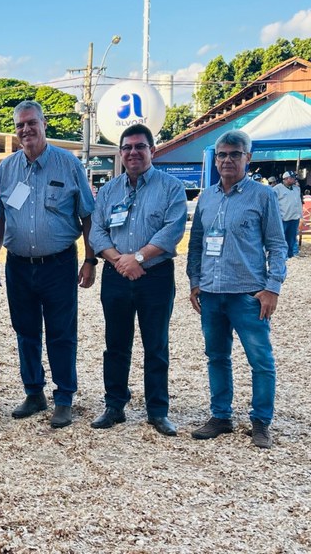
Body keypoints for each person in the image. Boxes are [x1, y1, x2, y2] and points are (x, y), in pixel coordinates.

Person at [0, 100, 97, 429]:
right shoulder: (7, 168)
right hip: (18, 265)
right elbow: (0, 216)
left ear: (44, 123)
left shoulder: (68, 164)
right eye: (20, 125)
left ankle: (64, 397)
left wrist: (91, 259)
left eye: (31, 123)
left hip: (58, 264)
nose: (25, 130)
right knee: (25, 332)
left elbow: (88, 215)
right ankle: (34, 392)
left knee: (61, 333)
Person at [187, 130, 287, 449]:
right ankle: (221, 416)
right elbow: (197, 243)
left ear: (248, 158)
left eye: (234, 154)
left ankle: (261, 421)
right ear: (215, 159)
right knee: (217, 356)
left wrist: (272, 287)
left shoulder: (263, 195)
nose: (227, 160)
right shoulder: (207, 196)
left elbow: (277, 245)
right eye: (222, 155)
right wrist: (194, 281)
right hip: (212, 294)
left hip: (248, 295)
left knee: (260, 359)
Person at [88, 124, 187, 436]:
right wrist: (120, 261)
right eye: (127, 147)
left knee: (155, 344)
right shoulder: (108, 191)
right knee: (115, 344)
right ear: (120, 153)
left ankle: (158, 411)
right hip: (116, 276)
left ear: (152, 150)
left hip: (154, 276)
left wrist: (139, 258)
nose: (133, 152)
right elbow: (96, 231)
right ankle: (114, 405)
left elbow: (172, 230)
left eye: (140, 147)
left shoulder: (171, 188)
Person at [273, 170, 302, 258]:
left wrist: (301, 215)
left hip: (295, 217)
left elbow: (299, 201)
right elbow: (272, 203)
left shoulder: (297, 188)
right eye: (292, 177)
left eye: (294, 177)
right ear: (285, 179)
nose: (294, 179)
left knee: (292, 238)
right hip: (283, 218)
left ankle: (291, 254)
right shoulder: (277, 189)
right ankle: (282, 255)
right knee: (281, 238)